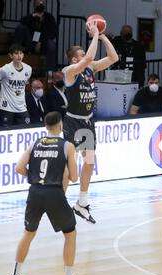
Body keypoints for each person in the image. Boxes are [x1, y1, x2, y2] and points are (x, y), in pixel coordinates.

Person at [8, 111, 85, 275]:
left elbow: (19, 168)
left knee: (28, 232)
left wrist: (33, 177)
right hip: (54, 193)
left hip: (35, 192)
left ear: (45, 126)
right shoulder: (67, 146)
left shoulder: (35, 143)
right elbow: (74, 177)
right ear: (61, 126)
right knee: (70, 234)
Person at [61, 22, 118, 224]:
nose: (85, 54)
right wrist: (94, 35)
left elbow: (113, 58)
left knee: (90, 162)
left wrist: (102, 37)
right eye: (81, 53)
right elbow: (89, 58)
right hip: (72, 122)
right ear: (74, 58)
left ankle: (82, 203)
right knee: (68, 169)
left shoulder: (90, 68)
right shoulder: (69, 71)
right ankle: (59, 204)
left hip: (87, 123)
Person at [0, 44, 32, 127]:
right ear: (10, 55)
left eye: (21, 53)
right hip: (6, 108)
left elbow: (25, 84)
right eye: (16, 53)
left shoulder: (28, 69)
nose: (19, 56)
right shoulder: (5, 69)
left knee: (24, 131)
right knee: (5, 134)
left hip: (21, 108)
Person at [14, 0, 57, 73]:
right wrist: (32, 16)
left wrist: (40, 42)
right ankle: (16, 53)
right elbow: (21, 22)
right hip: (30, 42)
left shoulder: (49, 17)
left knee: (51, 44)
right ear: (34, 6)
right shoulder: (30, 17)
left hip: (42, 43)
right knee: (20, 27)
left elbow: (53, 33)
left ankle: (49, 72)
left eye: (42, 3)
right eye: (37, 3)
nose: (40, 5)